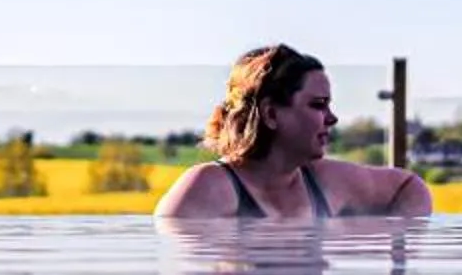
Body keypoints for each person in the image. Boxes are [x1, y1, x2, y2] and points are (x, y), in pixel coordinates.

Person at [154, 44, 434, 220]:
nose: (332, 118)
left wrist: (392, 245)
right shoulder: (208, 188)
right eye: (318, 105)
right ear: (271, 114)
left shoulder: (323, 180)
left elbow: (409, 188)